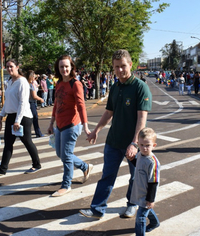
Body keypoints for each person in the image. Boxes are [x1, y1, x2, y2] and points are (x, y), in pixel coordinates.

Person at [79, 49, 152, 219]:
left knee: (135, 178)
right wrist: (96, 130)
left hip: (134, 144)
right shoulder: (115, 87)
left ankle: (132, 204)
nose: (119, 70)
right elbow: (108, 113)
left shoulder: (140, 88)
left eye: (123, 66)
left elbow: (142, 118)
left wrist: (134, 143)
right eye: (116, 67)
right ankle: (97, 209)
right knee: (107, 176)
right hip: (114, 141)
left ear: (131, 65)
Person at [47, 55, 92, 197]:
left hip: (71, 125)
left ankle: (66, 185)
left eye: (67, 66)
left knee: (66, 155)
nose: (64, 69)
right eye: (61, 66)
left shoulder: (76, 84)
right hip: (59, 125)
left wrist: (85, 126)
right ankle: (85, 167)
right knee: (61, 154)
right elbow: (56, 104)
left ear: (71, 67)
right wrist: (51, 123)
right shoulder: (59, 83)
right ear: (58, 68)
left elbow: (81, 106)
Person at [0, 59, 42, 175]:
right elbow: (8, 101)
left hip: (23, 117)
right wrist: (1, 116)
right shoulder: (9, 81)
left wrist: (18, 121)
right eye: (7, 67)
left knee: (27, 141)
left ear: (17, 67)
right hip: (11, 116)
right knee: (8, 142)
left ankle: (37, 164)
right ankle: (2, 169)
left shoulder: (22, 81)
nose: (9, 69)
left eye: (11, 66)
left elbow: (23, 102)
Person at [130, 127, 160, 235]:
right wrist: (132, 159)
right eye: (141, 145)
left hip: (147, 194)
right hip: (139, 190)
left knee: (140, 217)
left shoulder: (153, 162)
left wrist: (150, 199)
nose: (144, 148)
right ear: (138, 143)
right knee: (147, 209)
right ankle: (155, 223)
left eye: (148, 145)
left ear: (154, 146)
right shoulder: (139, 154)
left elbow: (153, 182)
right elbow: (138, 166)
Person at [27, 70, 45, 138]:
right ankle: (38, 133)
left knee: (29, 118)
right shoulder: (30, 85)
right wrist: (40, 99)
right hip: (31, 103)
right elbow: (34, 96)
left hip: (28, 102)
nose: (35, 76)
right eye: (34, 75)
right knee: (34, 118)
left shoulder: (27, 84)